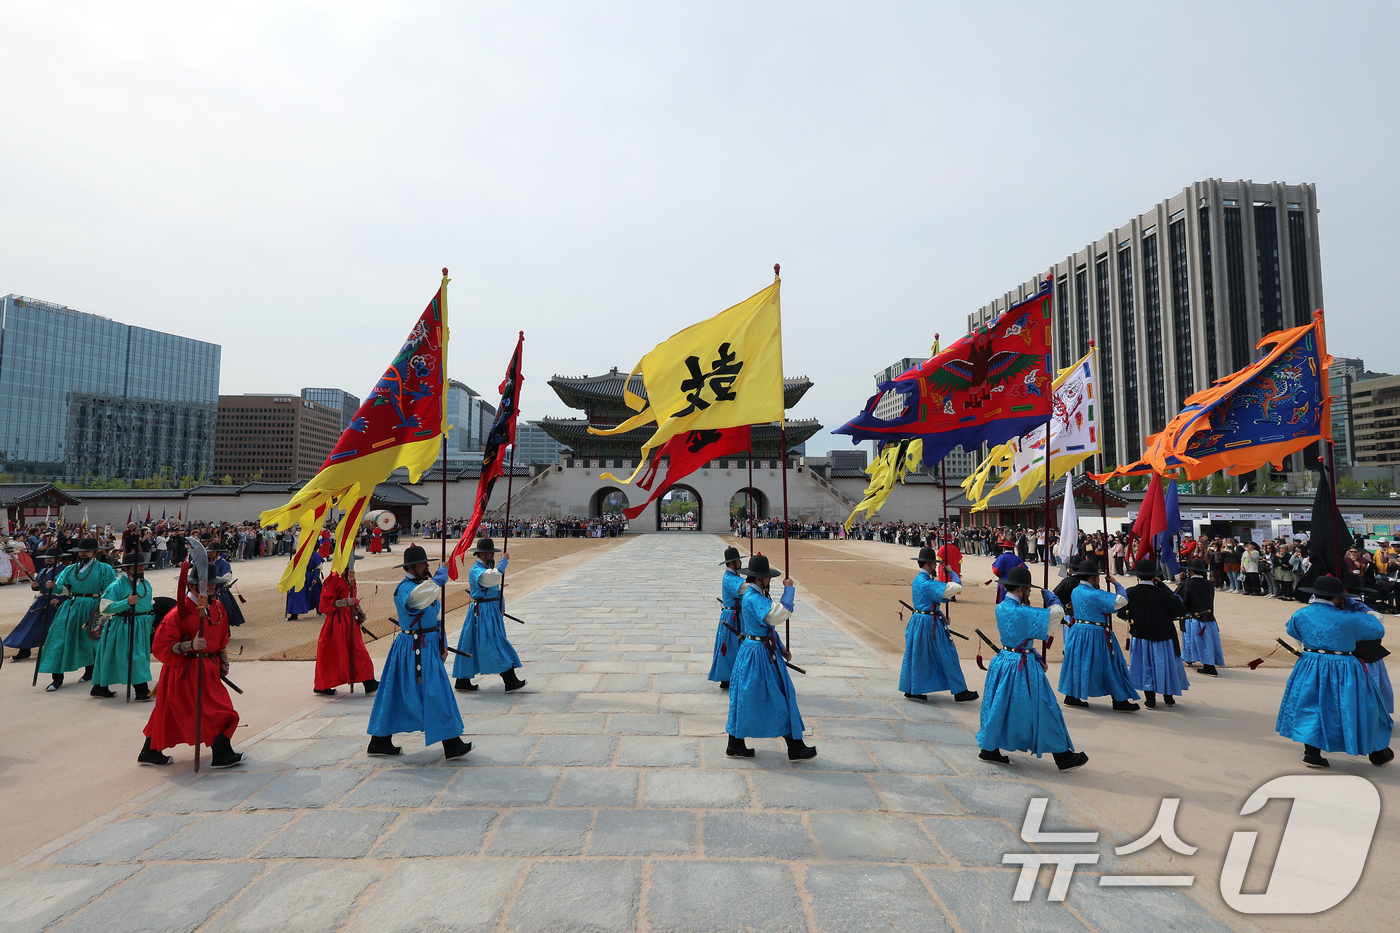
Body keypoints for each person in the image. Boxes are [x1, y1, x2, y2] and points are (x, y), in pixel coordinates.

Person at [976, 565, 1088, 771]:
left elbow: (1020, 639)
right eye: (1027, 589)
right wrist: (1053, 598)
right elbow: (1056, 616)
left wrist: (1035, 653)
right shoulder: (1024, 612)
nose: (1028, 592)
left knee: (999, 706)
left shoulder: (1001, 607)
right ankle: (1062, 755)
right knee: (1044, 706)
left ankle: (989, 748)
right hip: (1021, 666)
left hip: (1005, 659)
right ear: (1021, 589)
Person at [366, 544, 472, 759]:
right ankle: (452, 743)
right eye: (424, 563)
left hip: (428, 645)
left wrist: (442, 643)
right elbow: (419, 599)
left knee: (411, 691)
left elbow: (436, 617)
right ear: (413, 566)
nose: (426, 566)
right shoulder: (406, 588)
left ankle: (380, 741)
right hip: (413, 648)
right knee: (433, 691)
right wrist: (441, 575)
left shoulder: (423, 584)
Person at [1276, 575, 1393, 769]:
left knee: (1311, 704)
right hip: (1343, 665)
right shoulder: (1348, 617)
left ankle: (1311, 753)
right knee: (1363, 705)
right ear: (1338, 598)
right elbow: (1377, 629)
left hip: (1310, 662)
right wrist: (1365, 611)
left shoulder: (1300, 613)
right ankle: (1378, 751)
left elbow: (1293, 631)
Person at [138, 561, 243, 767]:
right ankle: (222, 753)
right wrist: (190, 645)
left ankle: (150, 751)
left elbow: (221, 638)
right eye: (208, 583)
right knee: (216, 711)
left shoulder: (216, 606)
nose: (213, 587)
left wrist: (223, 660)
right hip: (186, 670)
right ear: (194, 586)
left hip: (208, 668)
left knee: (169, 712)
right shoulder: (179, 613)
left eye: (214, 583)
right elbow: (161, 646)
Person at [725, 554, 816, 761]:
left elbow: (767, 628)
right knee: (779, 696)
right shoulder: (754, 597)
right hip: (759, 655)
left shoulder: (755, 595)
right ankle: (795, 746)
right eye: (767, 577)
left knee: (747, 697)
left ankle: (735, 743)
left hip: (759, 650)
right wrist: (789, 589)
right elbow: (780, 614)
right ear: (759, 579)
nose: (768, 580)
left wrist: (781, 648)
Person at [1059, 558, 1140, 711]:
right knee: (1112, 663)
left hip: (1078, 631)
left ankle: (1072, 695)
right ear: (1092, 577)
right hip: (1096, 634)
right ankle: (1119, 698)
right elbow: (1121, 601)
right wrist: (1116, 583)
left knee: (1078, 663)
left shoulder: (1076, 591)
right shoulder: (1094, 594)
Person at [899, 546, 977, 703]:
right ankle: (960, 691)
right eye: (934, 564)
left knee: (918, 655)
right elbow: (954, 588)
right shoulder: (928, 583)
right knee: (948, 653)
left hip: (919, 620)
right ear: (928, 564)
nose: (935, 566)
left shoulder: (918, 579)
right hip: (928, 623)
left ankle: (913, 689)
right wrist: (952, 572)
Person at [39, 537, 116, 692]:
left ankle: (90, 671)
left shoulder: (105, 569)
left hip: (93, 606)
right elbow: (64, 589)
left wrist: (106, 610)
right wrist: (53, 587)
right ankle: (57, 678)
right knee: (60, 639)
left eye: (87, 551)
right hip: (71, 606)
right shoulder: (70, 569)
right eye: (81, 551)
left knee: (90, 640)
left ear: (95, 552)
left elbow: (111, 590)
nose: (83, 554)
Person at [453, 538, 526, 692]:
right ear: (483, 554)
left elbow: (496, 590)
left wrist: (502, 605)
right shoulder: (476, 571)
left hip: (491, 609)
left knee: (472, 643)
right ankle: (510, 679)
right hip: (483, 611)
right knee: (494, 643)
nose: (493, 555)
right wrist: (504, 561)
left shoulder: (485, 567)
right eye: (491, 553)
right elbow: (493, 577)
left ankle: (463, 680)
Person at [1120, 559, 1189, 709]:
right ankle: (1168, 696)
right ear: (1154, 577)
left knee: (1146, 666)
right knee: (1164, 665)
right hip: (1163, 635)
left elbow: (1121, 612)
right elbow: (1180, 608)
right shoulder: (1163, 594)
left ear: (1138, 576)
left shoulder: (1130, 592)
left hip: (1141, 635)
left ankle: (1150, 699)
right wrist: (1162, 586)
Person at [92, 553, 155, 700]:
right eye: (137, 566)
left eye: (142, 565)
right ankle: (141, 690)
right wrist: (126, 602)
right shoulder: (117, 585)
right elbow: (105, 608)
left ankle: (99, 687)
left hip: (142, 625)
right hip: (125, 625)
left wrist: (151, 620)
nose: (141, 568)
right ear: (126, 568)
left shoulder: (146, 584)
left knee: (126, 656)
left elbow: (149, 604)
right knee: (134, 656)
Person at [314, 565, 378, 696]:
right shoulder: (333, 579)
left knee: (357, 650)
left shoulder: (349, 576)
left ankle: (368, 681)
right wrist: (344, 602)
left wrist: (359, 611)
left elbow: (353, 598)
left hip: (350, 619)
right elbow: (323, 604)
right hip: (337, 623)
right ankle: (323, 685)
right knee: (334, 655)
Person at [3, 547, 60, 661]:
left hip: (56, 603)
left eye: (51, 558)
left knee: (54, 629)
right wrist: (34, 585)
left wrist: (61, 599)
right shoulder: (43, 571)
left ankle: (54, 651)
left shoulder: (64, 570)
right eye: (47, 558)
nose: (48, 560)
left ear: (59, 559)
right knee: (29, 626)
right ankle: (24, 650)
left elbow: (69, 587)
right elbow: (38, 586)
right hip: (41, 601)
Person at [1177, 559, 1222, 675]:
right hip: (1208, 617)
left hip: (1193, 618)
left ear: (1191, 571)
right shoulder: (1209, 584)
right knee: (1204, 641)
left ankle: (1209, 666)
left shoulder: (1187, 584)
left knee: (1199, 642)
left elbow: (1177, 599)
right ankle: (1188, 658)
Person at [707, 545, 743, 690]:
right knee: (729, 648)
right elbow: (744, 589)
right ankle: (727, 678)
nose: (741, 563)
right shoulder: (730, 578)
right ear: (733, 563)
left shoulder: (733, 576)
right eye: (739, 561)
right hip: (732, 618)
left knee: (736, 647)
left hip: (737, 615)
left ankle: (735, 676)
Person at [285, 547, 324, 621]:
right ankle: (294, 614)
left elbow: (318, 567)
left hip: (310, 576)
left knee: (315, 594)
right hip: (299, 576)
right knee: (295, 594)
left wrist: (316, 578)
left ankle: (319, 609)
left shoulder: (315, 554)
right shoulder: (299, 554)